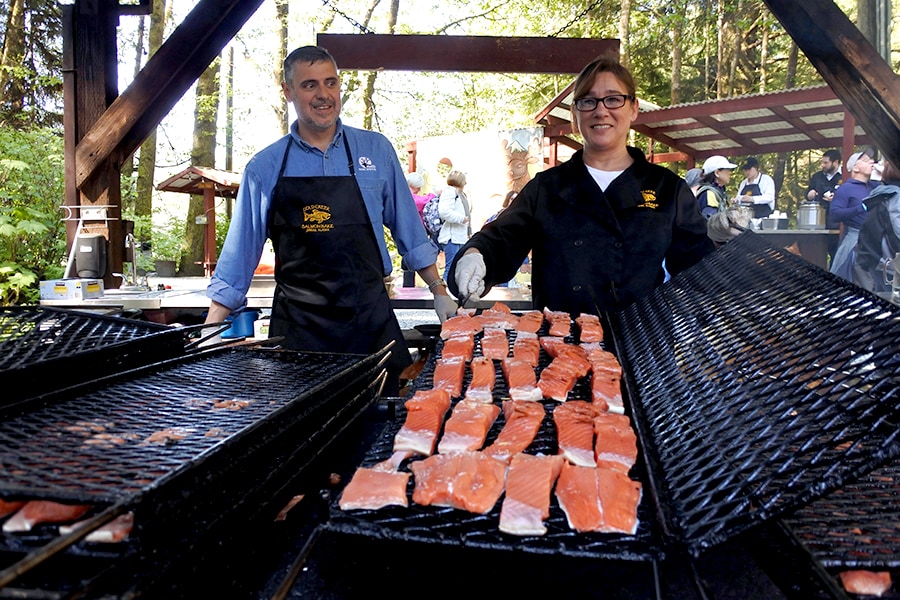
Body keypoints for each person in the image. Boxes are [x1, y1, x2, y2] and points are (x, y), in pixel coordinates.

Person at [204, 45, 455, 396]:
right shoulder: (264, 167)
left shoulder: (376, 150)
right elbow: (239, 255)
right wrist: (210, 329)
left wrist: (438, 291)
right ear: (288, 92)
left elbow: (408, 230)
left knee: (389, 423)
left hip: (369, 319)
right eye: (309, 85)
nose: (323, 95)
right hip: (300, 328)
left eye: (330, 82)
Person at [447, 57, 715, 315]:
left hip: (639, 346)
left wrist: (727, 244)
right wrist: (476, 256)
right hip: (557, 345)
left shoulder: (667, 188)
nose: (600, 110)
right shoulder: (547, 187)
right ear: (575, 114)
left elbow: (701, 269)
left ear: (633, 108)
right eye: (588, 101)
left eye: (613, 99)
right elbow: (502, 239)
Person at [854, 159, 900, 294]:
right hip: (891, 263)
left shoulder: (881, 193)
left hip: (876, 259)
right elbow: (897, 233)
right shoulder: (895, 196)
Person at [829, 149, 875, 282]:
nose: (872, 162)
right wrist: (861, 208)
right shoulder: (845, 188)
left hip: (874, 242)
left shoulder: (875, 187)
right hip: (854, 242)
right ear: (855, 167)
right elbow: (835, 214)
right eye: (866, 161)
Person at [437, 170, 472, 283]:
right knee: (450, 267)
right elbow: (444, 212)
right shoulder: (450, 192)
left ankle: (452, 293)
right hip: (452, 237)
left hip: (459, 236)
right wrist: (461, 219)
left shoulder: (460, 194)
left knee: (457, 267)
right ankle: (444, 294)